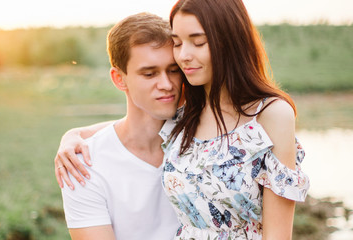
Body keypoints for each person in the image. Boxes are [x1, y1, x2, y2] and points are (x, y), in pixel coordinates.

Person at [55, 0, 310, 239]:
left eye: (197, 42)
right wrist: (74, 135)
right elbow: (131, 129)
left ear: (228, 41)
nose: (184, 56)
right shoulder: (189, 115)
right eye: (178, 43)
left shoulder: (268, 115)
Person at [56, 12, 182, 240]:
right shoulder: (83, 165)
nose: (166, 84)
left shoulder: (202, 138)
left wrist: (74, 133)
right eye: (149, 73)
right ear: (118, 79)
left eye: (173, 70)